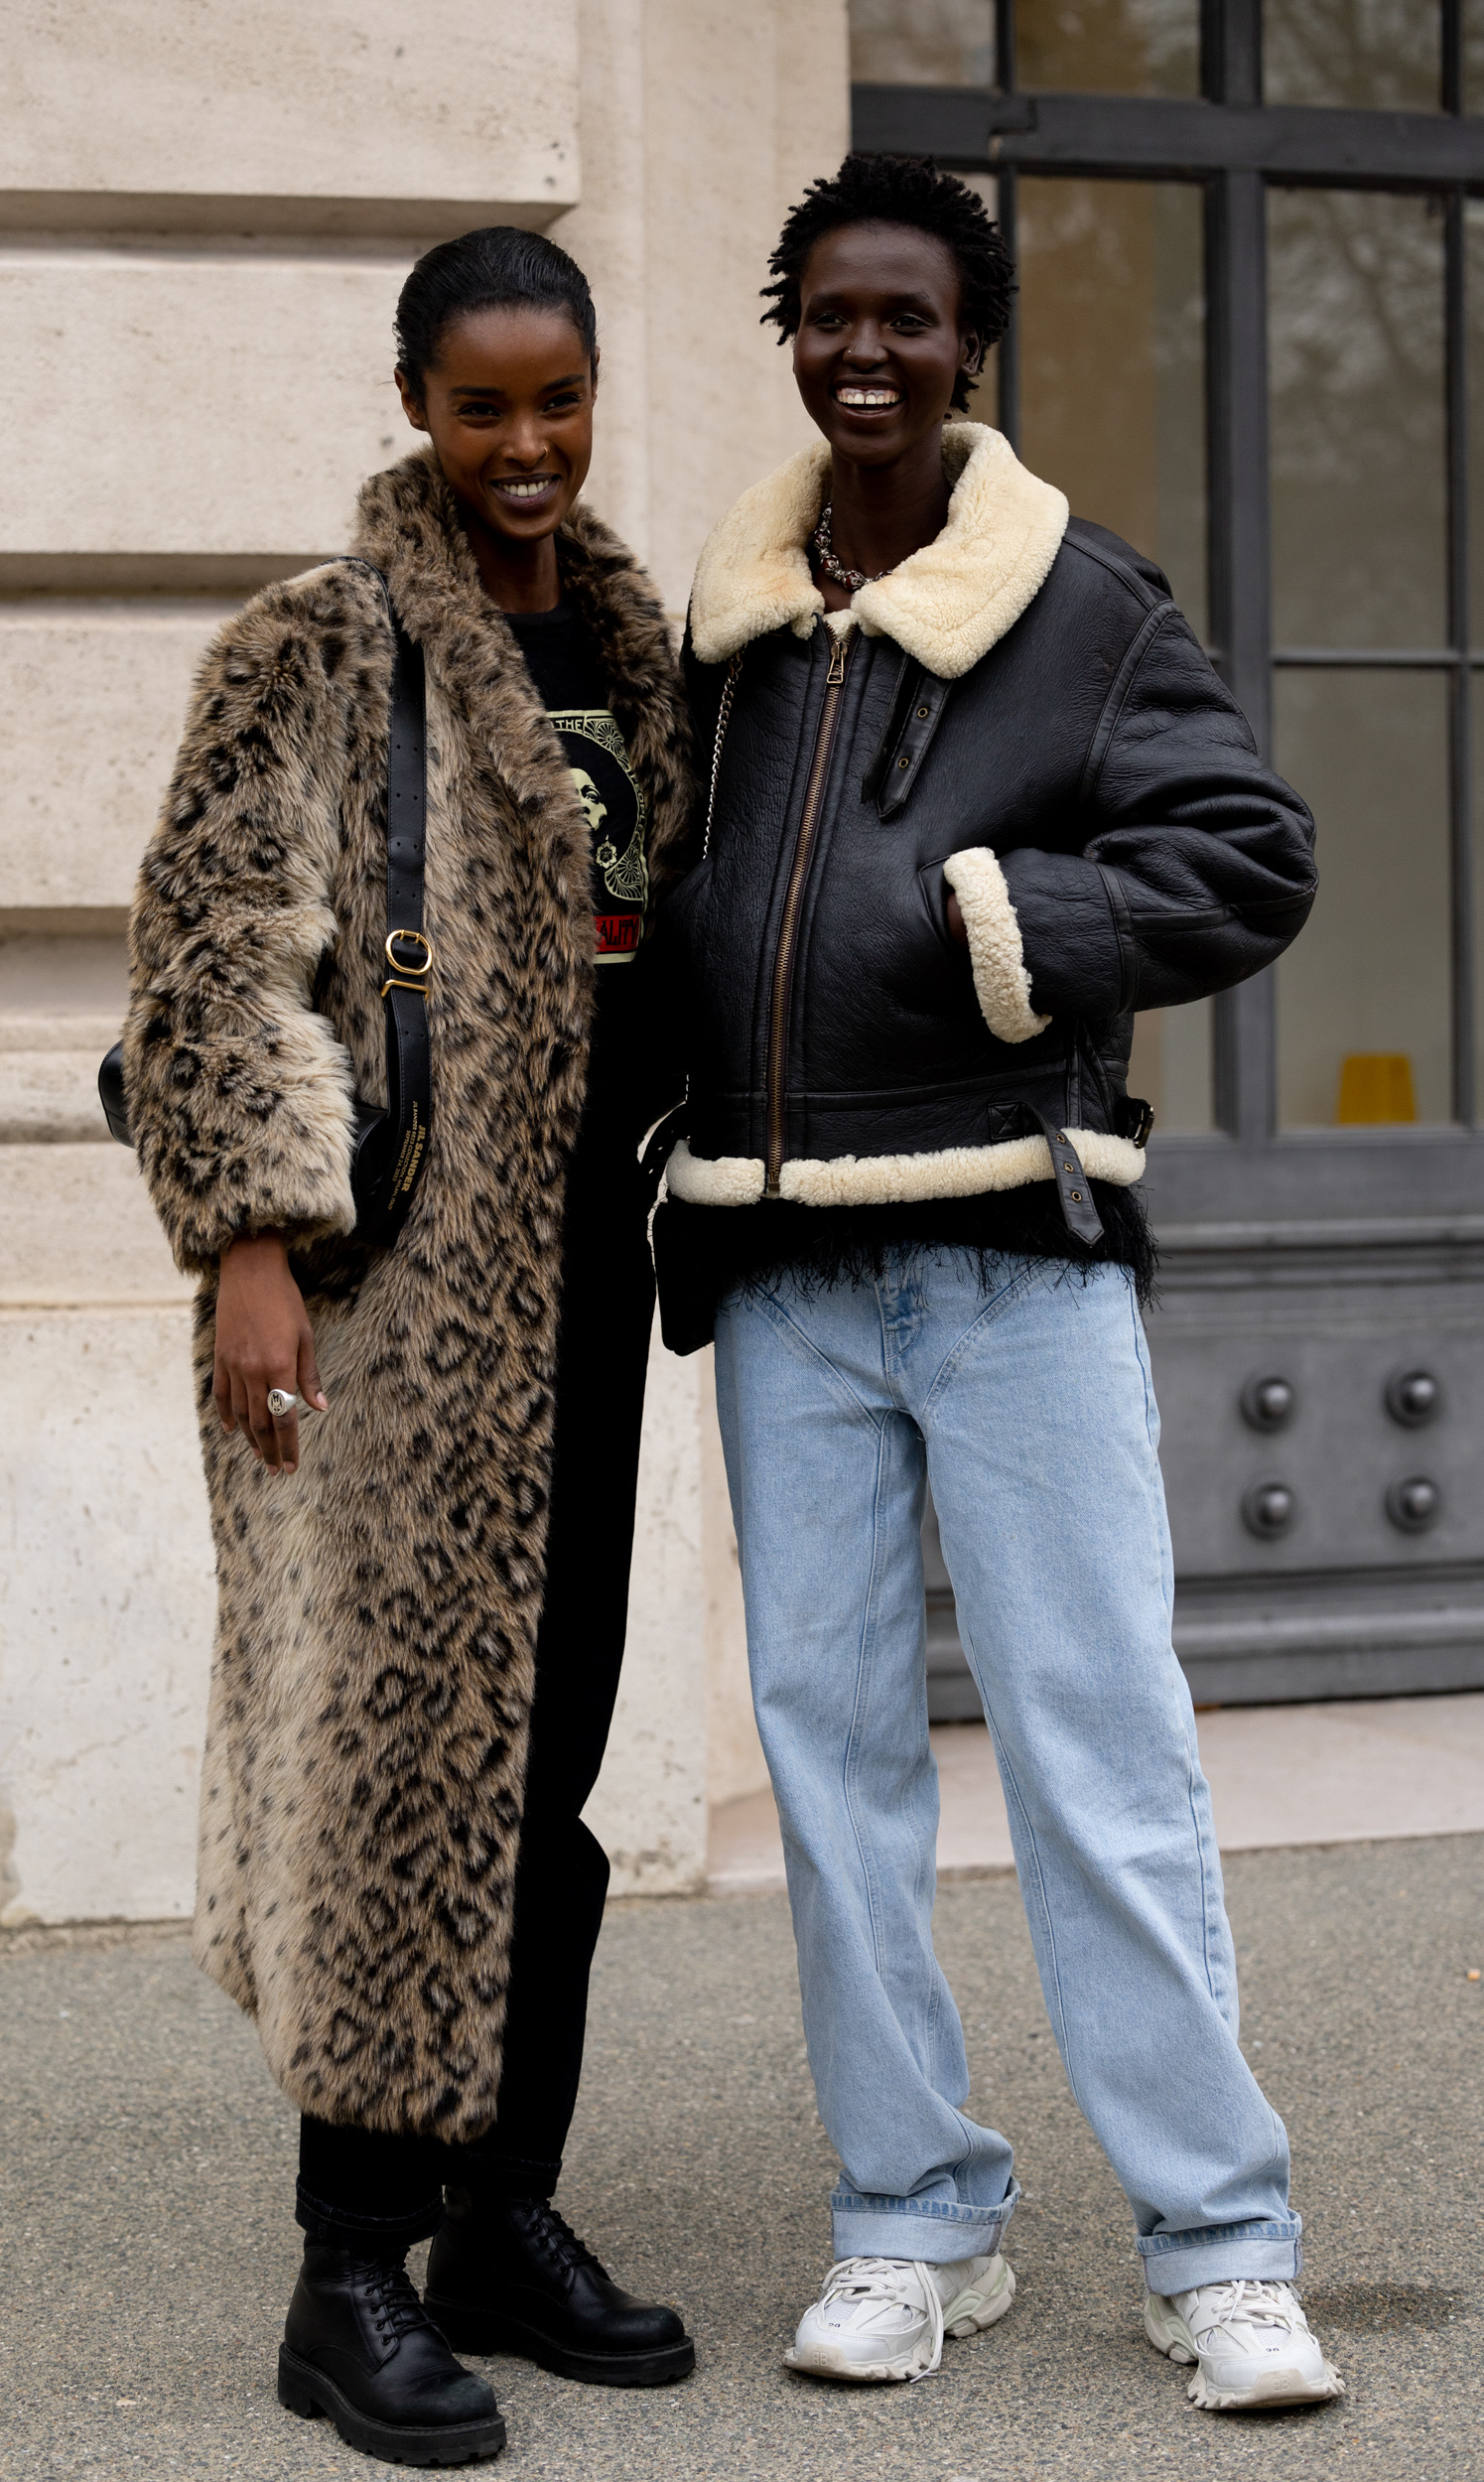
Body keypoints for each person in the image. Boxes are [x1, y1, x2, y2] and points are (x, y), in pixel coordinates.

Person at [655, 155, 1343, 2416]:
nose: (868, 353)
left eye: (911, 322)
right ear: (795, 326)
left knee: (1097, 1753)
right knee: (831, 1761)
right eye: (833, 315)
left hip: (1015, 1255)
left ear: (975, 346)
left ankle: (1222, 2242)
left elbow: (1250, 853)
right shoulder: (728, 624)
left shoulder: (1086, 605)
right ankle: (912, 2218)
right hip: (785, 1277)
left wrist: (1011, 923)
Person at [124, 226, 697, 2468]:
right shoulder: (322, 642)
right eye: (483, 405)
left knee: (543, 1760)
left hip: (589, 1280)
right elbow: (205, 955)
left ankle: (498, 2208)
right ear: (414, 402)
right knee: (393, 1762)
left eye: (558, 397)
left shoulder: (641, 650)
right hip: (388, 1288)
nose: (527, 443)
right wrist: (259, 1231)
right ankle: (345, 2264)